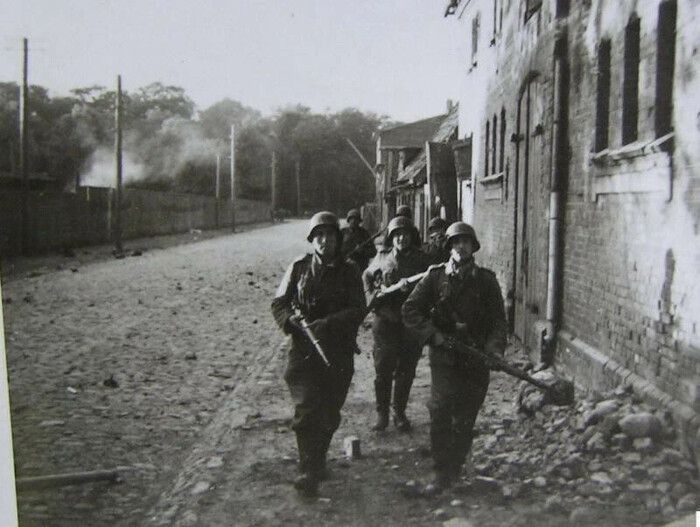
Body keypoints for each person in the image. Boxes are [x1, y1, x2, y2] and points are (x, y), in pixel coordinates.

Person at [402, 221, 507, 494]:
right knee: (440, 410)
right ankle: (440, 473)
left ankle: (455, 469)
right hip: (444, 358)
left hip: (476, 358)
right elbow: (410, 309)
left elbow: (498, 321)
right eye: (456, 242)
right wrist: (434, 336)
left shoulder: (486, 280)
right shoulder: (435, 277)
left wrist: (494, 350)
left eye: (466, 242)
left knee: (465, 417)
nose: (461, 246)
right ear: (449, 247)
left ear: (473, 246)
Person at [271, 211, 366, 497]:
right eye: (319, 236)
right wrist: (291, 320)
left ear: (338, 238)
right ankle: (307, 470)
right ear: (312, 240)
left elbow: (358, 309)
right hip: (303, 351)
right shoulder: (299, 267)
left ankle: (318, 459)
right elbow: (279, 303)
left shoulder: (350, 271)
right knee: (307, 408)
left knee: (330, 411)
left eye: (330, 235)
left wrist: (327, 324)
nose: (325, 241)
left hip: (337, 351)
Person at [363, 215, 430, 432]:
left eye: (405, 234)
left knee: (406, 369)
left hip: (410, 322)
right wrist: (372, 294)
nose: (402, 238)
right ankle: (381, 413)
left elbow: (431, 285)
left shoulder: (422, 260)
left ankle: (399, 413)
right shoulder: (382, 257)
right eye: (397, 235)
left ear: (412, 236)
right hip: (386, 320)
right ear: (391, 238)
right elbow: (367, 276)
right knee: (383, 368)